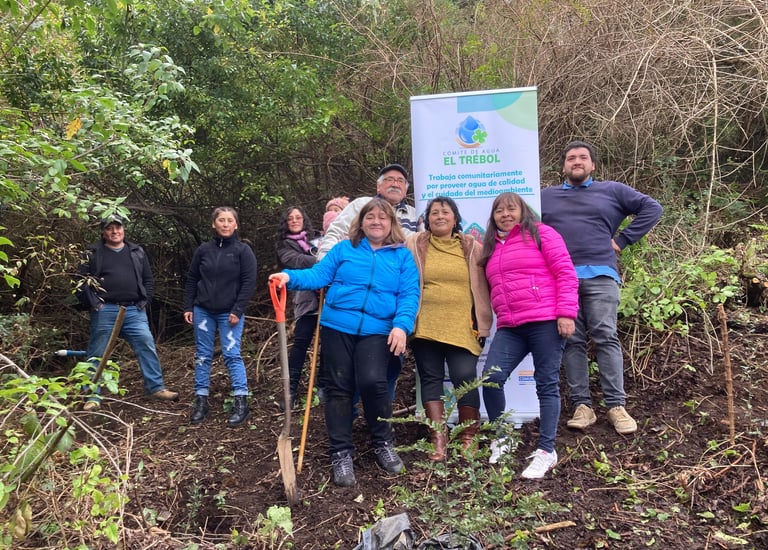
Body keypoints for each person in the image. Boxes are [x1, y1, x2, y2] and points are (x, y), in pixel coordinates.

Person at [269, 198, 420, 488]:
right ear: (361, 222)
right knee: (338, 389)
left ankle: (383, 442)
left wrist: (401, 326)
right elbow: (318, 275)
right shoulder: (344, 249)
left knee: (374, 382)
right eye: (370, 217)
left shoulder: (402, 257)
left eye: (382, 218)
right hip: (337, 326)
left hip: (378, 329)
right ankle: (341, 453)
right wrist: (288, 276)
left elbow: (409, 295)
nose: (376, 221)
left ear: (392, 223)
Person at [541, 141, 663, 436]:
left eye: (583, 157)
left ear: (593, 165)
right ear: (563, 166)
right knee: (572, 341)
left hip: (601, 275)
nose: (577, 162)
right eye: (571, 158)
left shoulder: (612, 191)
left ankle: (616, 405)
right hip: (561, 278)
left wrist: (622, 240)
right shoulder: (545, 197)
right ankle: (582, 406)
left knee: (606, 336)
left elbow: (652, 208)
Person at [480, 192, 578, 479]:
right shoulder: (491, 247)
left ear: (523, 212)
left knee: (546, 384)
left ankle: (547, 450)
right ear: (493, 216)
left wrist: (567, 313)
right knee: (491, 378)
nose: (506, 214)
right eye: (500, 210)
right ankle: (502, 437)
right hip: (511, 326)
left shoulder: (542, 233)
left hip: (545, 320)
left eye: (511, 209)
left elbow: (565, 273)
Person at [317, 164, 419, 403]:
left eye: (401, 181)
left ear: (406, 189)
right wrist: (327, 268)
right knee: (349, 368)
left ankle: (381, 421)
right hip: (353, 300)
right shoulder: (360, 206)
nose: (395, 183)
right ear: (378, 185)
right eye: (389, 179)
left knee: (387, 367)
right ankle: (349, 416)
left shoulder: (415, 215)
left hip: (394, 300)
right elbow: (334, 234)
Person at [405, 196, 492, 461]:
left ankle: (468, 436)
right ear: (426, 220)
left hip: (464, 325)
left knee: (464, 377)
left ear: (455, 218)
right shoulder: (414, 244)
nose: (439, 216)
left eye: (445, 212)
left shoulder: (472, 247)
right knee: (430, 379)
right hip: (426, 325)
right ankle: (439, 438)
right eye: (433, 213)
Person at [77, 213, 178, 410]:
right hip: (105, 310)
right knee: (97, 352)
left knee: (146, 344)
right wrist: (95, 304)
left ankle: (155, 388)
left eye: (118, 227)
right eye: (109, 228)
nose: (115, 232)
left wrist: (144, 301)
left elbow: (148, 279)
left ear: (124, 229)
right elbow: (80, 281)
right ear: (103, 232)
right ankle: (91, 396)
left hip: (133, 309)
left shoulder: (136, 251)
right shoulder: (93, 252)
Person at [183, 207, 257, 428]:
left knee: (232, 355)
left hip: (229, 312)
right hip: (203, 310)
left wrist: (237, 310)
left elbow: (248, 282)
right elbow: (192, 278)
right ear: (213, 224)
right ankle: (201, 400)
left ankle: (241, 401)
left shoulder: (243, 251)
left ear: (236, 224)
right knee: (203, 355)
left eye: (230, 220)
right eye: (221, 220)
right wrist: (188, 306)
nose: (225, 224)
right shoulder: (203, 250)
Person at [275, 205, 322, 409]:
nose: (294, 221)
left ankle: (323, 387)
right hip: (305, 301)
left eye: (298, 217)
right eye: (290, 218)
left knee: (328, 345)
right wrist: (320, 260)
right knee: (301, 343)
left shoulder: (318, 237)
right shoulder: (284, 245)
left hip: (327, 299)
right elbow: (295, 261)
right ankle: (290, 390)